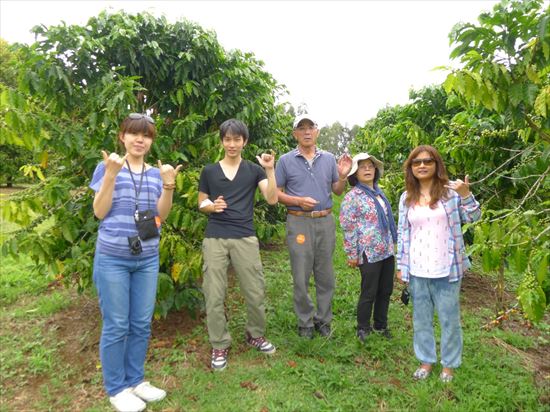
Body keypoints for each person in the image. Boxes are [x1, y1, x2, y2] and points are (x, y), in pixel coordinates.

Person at [90, 113, 182, 412]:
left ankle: (136, 380)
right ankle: (117, 388)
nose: (140, 140)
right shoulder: (107, 168)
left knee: (141, 323)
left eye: (146, 135)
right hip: (113, 258)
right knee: (117, 324)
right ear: (123, 137)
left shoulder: (156, 175)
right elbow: (99, 212)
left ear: (152, 141)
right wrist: (111, 175)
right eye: (134, 134)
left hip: (146, 258)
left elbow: (161, 217)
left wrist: (169, 186)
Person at [396, 145, 481, 383]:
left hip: (447, 268)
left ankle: (449, 366)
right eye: (416, 162)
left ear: (436, 165)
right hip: (417, 270)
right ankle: (426, 361)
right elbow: (403, 234)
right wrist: (402, 267)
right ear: (411, 168)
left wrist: (466, 195)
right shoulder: (406, 198)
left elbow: (474, 218)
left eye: (427, 161)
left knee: (449, 320)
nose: (422, 166)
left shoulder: (451, 194)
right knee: (421, 319)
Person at [198, 119, 278, 371]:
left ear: (244, 141)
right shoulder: (209, 171)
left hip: (245, 236)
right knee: (213, 293)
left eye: (237, 139)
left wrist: (270, 170)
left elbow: (273, 199)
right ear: (222, 141)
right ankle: (219, 343)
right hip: (215, 237)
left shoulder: (254, 170)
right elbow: (202, 202)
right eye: (228, 139)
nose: (232, 144)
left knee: (254, 290)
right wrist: (212, 206)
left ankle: (255, 334)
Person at [275, 114, 352, 338]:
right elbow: (277, 193)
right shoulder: (285, 160)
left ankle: (323, 319)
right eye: (302, 128)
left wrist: (343, 176)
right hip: (298, 221)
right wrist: (297, 201)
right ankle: (305, 322)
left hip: (325, 220)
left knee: (325, 273)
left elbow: (337, 190)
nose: (307, 132)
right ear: (295, 134)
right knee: (301, 273)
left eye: (311, 127)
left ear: (317, 131)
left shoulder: (328, 159)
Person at [339, 153, 397, 342]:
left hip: (386, 250)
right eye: (362, 166)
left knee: (385, 290)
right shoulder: (352, 197)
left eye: (370, 166)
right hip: (368, 252)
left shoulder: (380, 194)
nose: (367, 169)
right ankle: (363, 327)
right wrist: (351, 254)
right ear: (354, 173)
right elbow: (348, 227)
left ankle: (381, 325)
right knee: (369, 291)